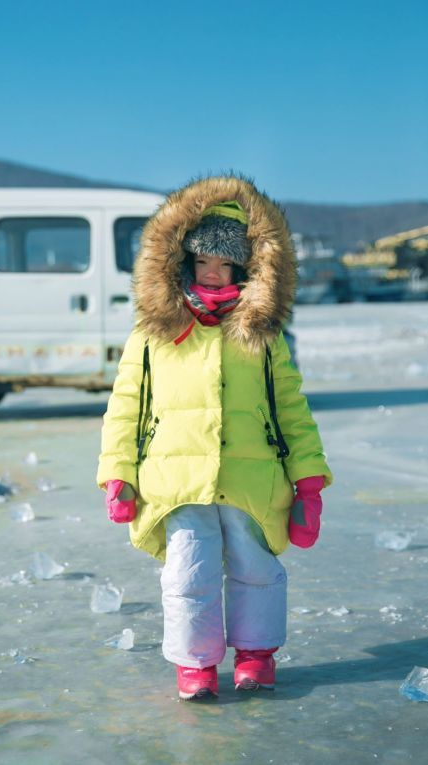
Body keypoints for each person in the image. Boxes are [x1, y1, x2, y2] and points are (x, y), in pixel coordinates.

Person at [97, 175, 332, 701]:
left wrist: (309, 480)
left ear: (246, 269)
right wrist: (118, 473)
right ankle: (196, 665)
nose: (213, 273)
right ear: (180, 263)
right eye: (203, 262)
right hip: (174, 476)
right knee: (189, 570)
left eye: (225, 264)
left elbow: (290, 406)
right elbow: (125, 406)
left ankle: (255, 655)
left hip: (253, 473)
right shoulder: (154, 331)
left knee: (254, 568)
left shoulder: (263, 336)